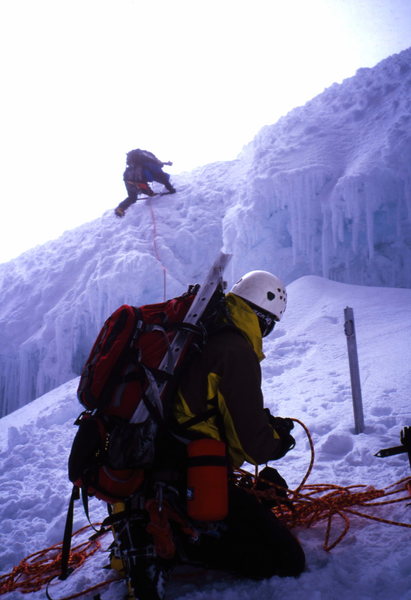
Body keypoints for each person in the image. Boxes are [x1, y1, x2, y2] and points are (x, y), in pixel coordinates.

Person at [171, 270, 306, 579]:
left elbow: (215, 407)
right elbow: (254, 446)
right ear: (263, 319)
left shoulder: (212, 332)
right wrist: (280, 441)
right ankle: (187, 545)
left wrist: (264, 423)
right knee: (286, 560)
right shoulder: (236, 351)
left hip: (168, 458)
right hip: (191, 471)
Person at [115, 149, 176, 217]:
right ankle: (151, 193)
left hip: (127, 178)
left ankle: (120, 209)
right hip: (138, 181)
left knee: (132, 197)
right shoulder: (152, 165)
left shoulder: (138, 164)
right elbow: (161, 176)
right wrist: (171, 189)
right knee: (162, 178)